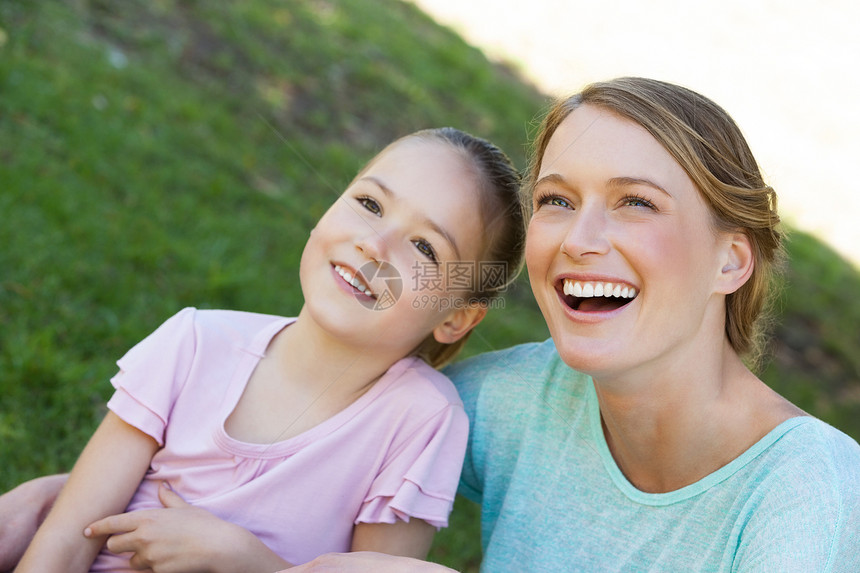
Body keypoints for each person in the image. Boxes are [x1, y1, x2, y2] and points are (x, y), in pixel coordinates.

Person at [4, 77, 859, 572]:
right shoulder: (511, 402)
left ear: (731, 260)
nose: (579, 238)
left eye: (636, 203)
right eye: (557, 201)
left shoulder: (803, 488)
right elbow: (326, 434)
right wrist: (64, 504)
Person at [10, 126, 527, 572]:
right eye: (369, 204)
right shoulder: (193, 342)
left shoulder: (421, 422)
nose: (375, 244)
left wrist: (247, 560)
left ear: (458, 317)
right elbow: (67, 538)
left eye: (424, 247)